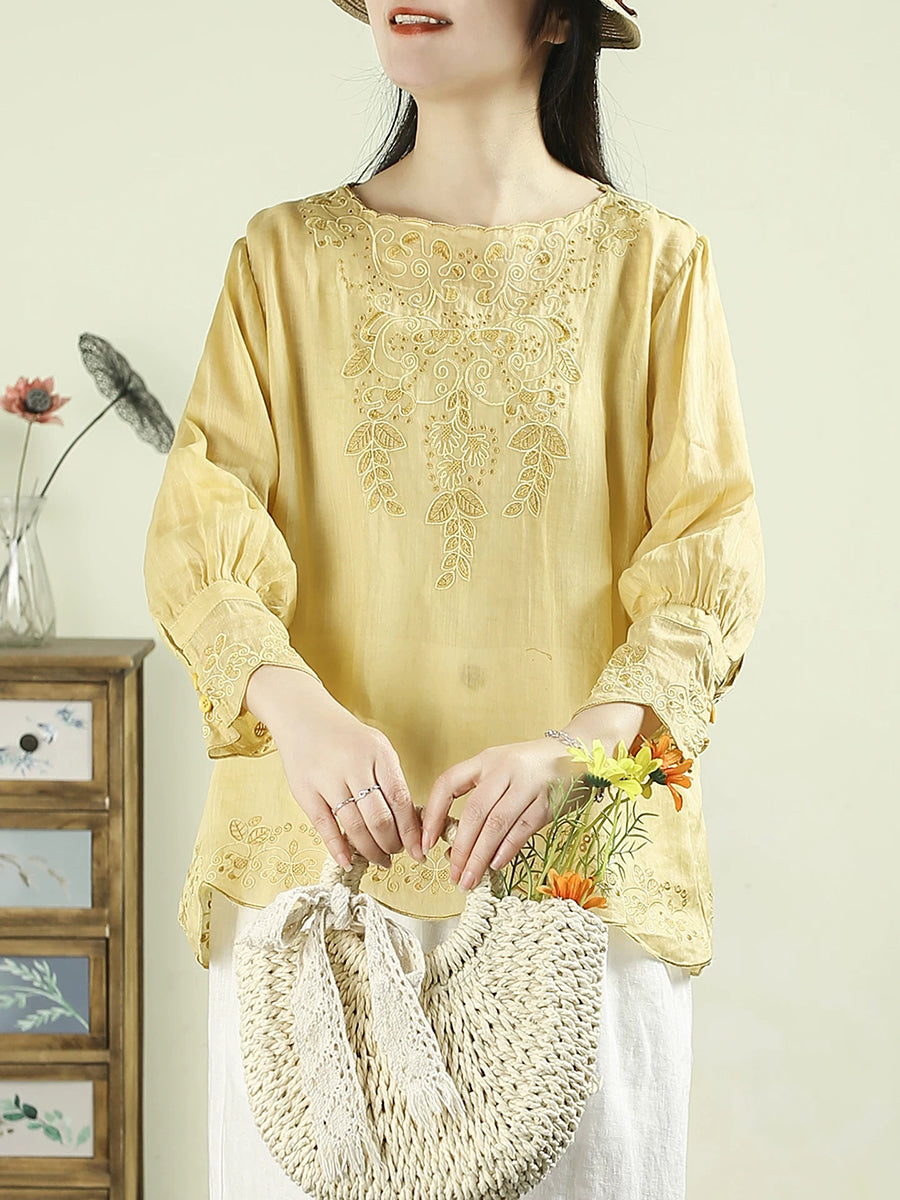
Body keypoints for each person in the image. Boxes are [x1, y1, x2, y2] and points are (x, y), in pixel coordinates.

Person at [143, 2, 765, 1197]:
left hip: (577, 876)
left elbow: (707, 560)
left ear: (559, 16)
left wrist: (577, 752)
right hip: (312, 884)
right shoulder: (282, 259)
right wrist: (299, 714)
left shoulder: (656, 266)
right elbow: (199, 532)